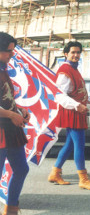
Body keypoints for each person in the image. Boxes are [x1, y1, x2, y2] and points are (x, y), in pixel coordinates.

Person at [48, 41, 90, 190]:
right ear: (66, 54)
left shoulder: (73, 69)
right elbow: (59, 95)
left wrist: (89, 100)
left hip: (76, 110)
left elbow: (77, 90)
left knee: (70, 144)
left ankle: (55, 173)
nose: (76, 55)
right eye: (73, 52)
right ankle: (83, 179)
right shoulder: (65, 70)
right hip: (72, 111)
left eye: (78, 52)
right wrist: (77, 105)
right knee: (79, 145)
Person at [0, 32, 30, 215]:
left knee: (21, 169)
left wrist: (19, 110)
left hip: (11, 128)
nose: (12, 54)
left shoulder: (3, 69)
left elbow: (5, 98)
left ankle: (11, 209)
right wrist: (11, 114)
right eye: (8, 51)